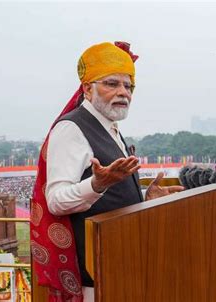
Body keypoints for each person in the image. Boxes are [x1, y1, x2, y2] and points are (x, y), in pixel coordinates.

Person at [31, 42, 184, 302]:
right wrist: (96, 184)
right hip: (96, 275)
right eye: (112, 84)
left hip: (121, 268)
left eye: (129, 86)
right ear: (88, 89)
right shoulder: (71, 129)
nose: (123, 93)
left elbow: (115, 197)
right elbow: (55, 201)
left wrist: (146, 200)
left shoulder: (110, 127)